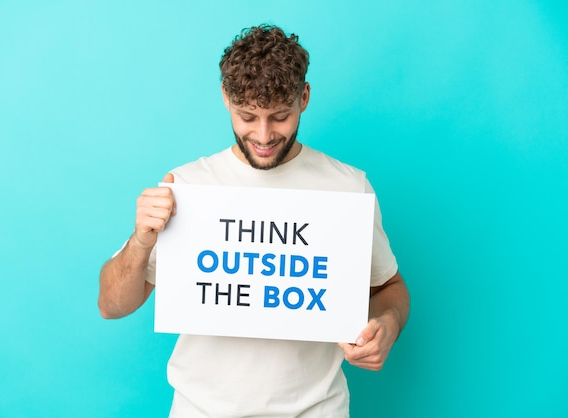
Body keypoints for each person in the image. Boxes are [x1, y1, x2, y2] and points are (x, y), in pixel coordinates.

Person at [99, 24, 410, 418]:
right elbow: (111, 305)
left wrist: (387, 323)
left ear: (304, 98)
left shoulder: (348, 187)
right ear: (227, 99)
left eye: (279, 116)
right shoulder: (188, 186)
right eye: (248, 116)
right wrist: (141, 241)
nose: (263, 135)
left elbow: (389, 286)